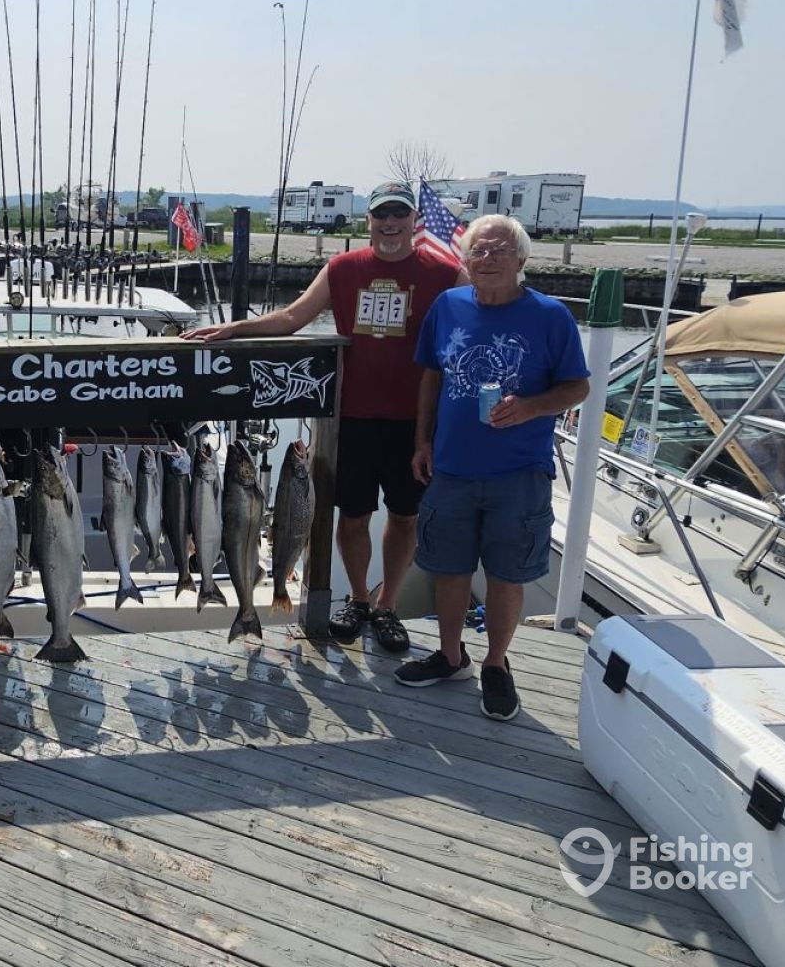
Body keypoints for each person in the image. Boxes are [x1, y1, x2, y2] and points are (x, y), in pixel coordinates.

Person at [185, 181, 465, 651]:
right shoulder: (343, 268)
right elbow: (292, 318)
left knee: (405, 518)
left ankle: (387, 605)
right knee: (352, 517)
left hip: (416, 422)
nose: (390, 223)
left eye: (399, 214)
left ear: (414, 221)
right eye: (381, 214)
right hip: (350, 417)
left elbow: (483, 315)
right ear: (368, 221)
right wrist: (235, 329)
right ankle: (358, 599)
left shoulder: (446, 272)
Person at [399, 214, 589, 720]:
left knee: (507, 575)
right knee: (448, 569)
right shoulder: (448, 306)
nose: (488, 259)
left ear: (521, 259)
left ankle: (496, 664)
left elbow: (578, 387)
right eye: (479, 250)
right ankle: (450, 656)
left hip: (519, 471)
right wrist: (422, 441)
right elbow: (432, 376)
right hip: (451, 467)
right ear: (464, 258)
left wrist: (530, 407)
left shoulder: (551, 316)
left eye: (500, 250)